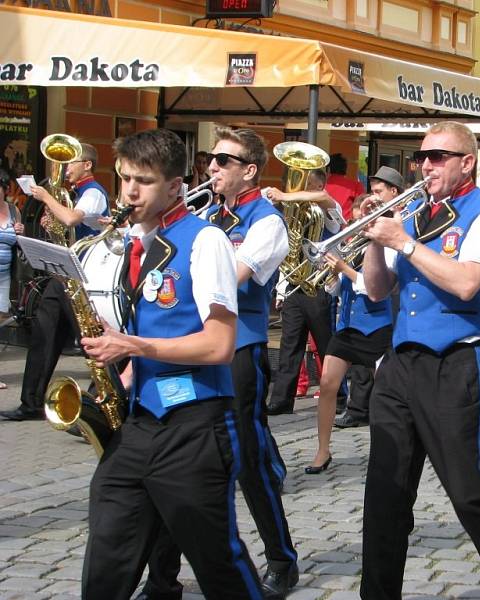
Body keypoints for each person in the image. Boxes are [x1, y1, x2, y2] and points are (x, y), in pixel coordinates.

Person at [78, 128, 268, 600]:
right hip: (142, 423)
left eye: (143, 181)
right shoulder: (138, 244)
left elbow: (220, 344)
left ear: (175, 185)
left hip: (197, 427)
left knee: (218, 564)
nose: (130, 193)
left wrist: (135, 347)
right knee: (107, 556)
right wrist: (119, 364)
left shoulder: (205, 242)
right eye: (123, 180)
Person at [359, 121, 480, 599]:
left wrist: (403, 242)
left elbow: (466, 284)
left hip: (455, 364)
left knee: (467, 492)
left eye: (439, 156)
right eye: (422, 157)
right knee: (385, 495)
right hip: (400, 364)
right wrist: (376, 239)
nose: (426, 165)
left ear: (467, 162)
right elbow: (377, 289)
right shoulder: (413, 214)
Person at [138, 127, 299, 599]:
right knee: (171, 461)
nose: (211, 168)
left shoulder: (267, 222)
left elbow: (232, 276)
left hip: (241, 349)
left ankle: (280, 559)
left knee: (249, 461)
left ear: (249, 170)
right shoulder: (204, 216)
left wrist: (194, 238)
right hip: (187, 346)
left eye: (223, 162)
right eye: (211, 159)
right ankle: (162, 578)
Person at [0, 143, 109, 421]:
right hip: (64, 271)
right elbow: (64, 224)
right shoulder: (75, 193)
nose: (66, 169)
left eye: (71, 163)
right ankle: (31, 402)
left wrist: (48, 198)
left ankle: (103, 402)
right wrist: (52, 222)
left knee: (90, 340)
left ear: (87, 165)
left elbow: (72, 218)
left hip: (85, 274)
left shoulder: (93, 192)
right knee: (43, 334)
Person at [264, 170, 346, 415]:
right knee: (290, 346)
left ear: (319, 184)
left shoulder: (328, 209)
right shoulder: (295, 212)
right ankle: (281, 400)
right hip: (294, 285)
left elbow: (324, 197)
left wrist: (285, 196)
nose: (299, 189)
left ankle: (339, 397)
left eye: (307, 184)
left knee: (326, 346)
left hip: (319, 286)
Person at [308, 240, 393, 473]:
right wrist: (330, 276)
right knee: (327, 384)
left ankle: (388, 449)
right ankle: (323, 450)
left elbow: (373, 288)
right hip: (347, 327)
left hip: (376, 326)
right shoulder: (351, 249)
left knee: (384, 393)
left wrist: (344, 268)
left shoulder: (383, 249)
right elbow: (338, 291)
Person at [335, 167, 405, 430]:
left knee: (382, 364)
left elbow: (382, 281)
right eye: (372, 191)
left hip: (385, 307)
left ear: (394, 192)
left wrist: (345, 269)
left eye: (379, 192)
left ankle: (377, 410)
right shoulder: (375, 223)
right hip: (362, 309)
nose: (374, 197)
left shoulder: (396, 223)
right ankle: (361, 408)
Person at [0, 169, 24, 321]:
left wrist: (20, 232)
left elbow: (20, 243)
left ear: (5, 189)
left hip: (4, 277)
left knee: (2, 317)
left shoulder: (13, 211)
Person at [325, 152, 364, 221]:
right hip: (346, 227)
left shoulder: (321, 185)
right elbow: (361, 207)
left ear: (328, 169)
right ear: (345, 169)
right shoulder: (355, 185)